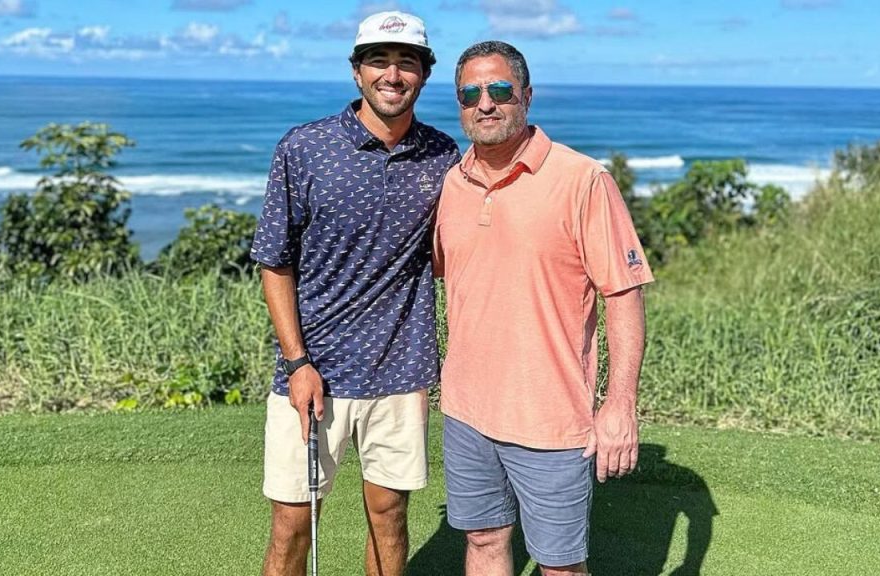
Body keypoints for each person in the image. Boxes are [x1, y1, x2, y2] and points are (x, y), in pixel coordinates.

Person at [433, 40, 655, 575]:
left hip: (552, 419)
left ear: (526, 97)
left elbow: (624, 297)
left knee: (560, 566)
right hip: (466, 411)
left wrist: (619, 404)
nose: (485, 103)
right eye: (470, 93)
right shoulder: (452, 184)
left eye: (500, 89)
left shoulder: (582, 180)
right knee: (483, 540)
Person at [250, 10, 459, 576]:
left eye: (406, 62)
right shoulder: (304, 147)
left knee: (389, 515)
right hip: (314, 372)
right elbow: (275, 262)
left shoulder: (444, 157)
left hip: (401, 370)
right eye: (379, 61)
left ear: (423, 74)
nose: (392, 74)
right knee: (294, 525)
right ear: (357, 71)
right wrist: (297, 362)